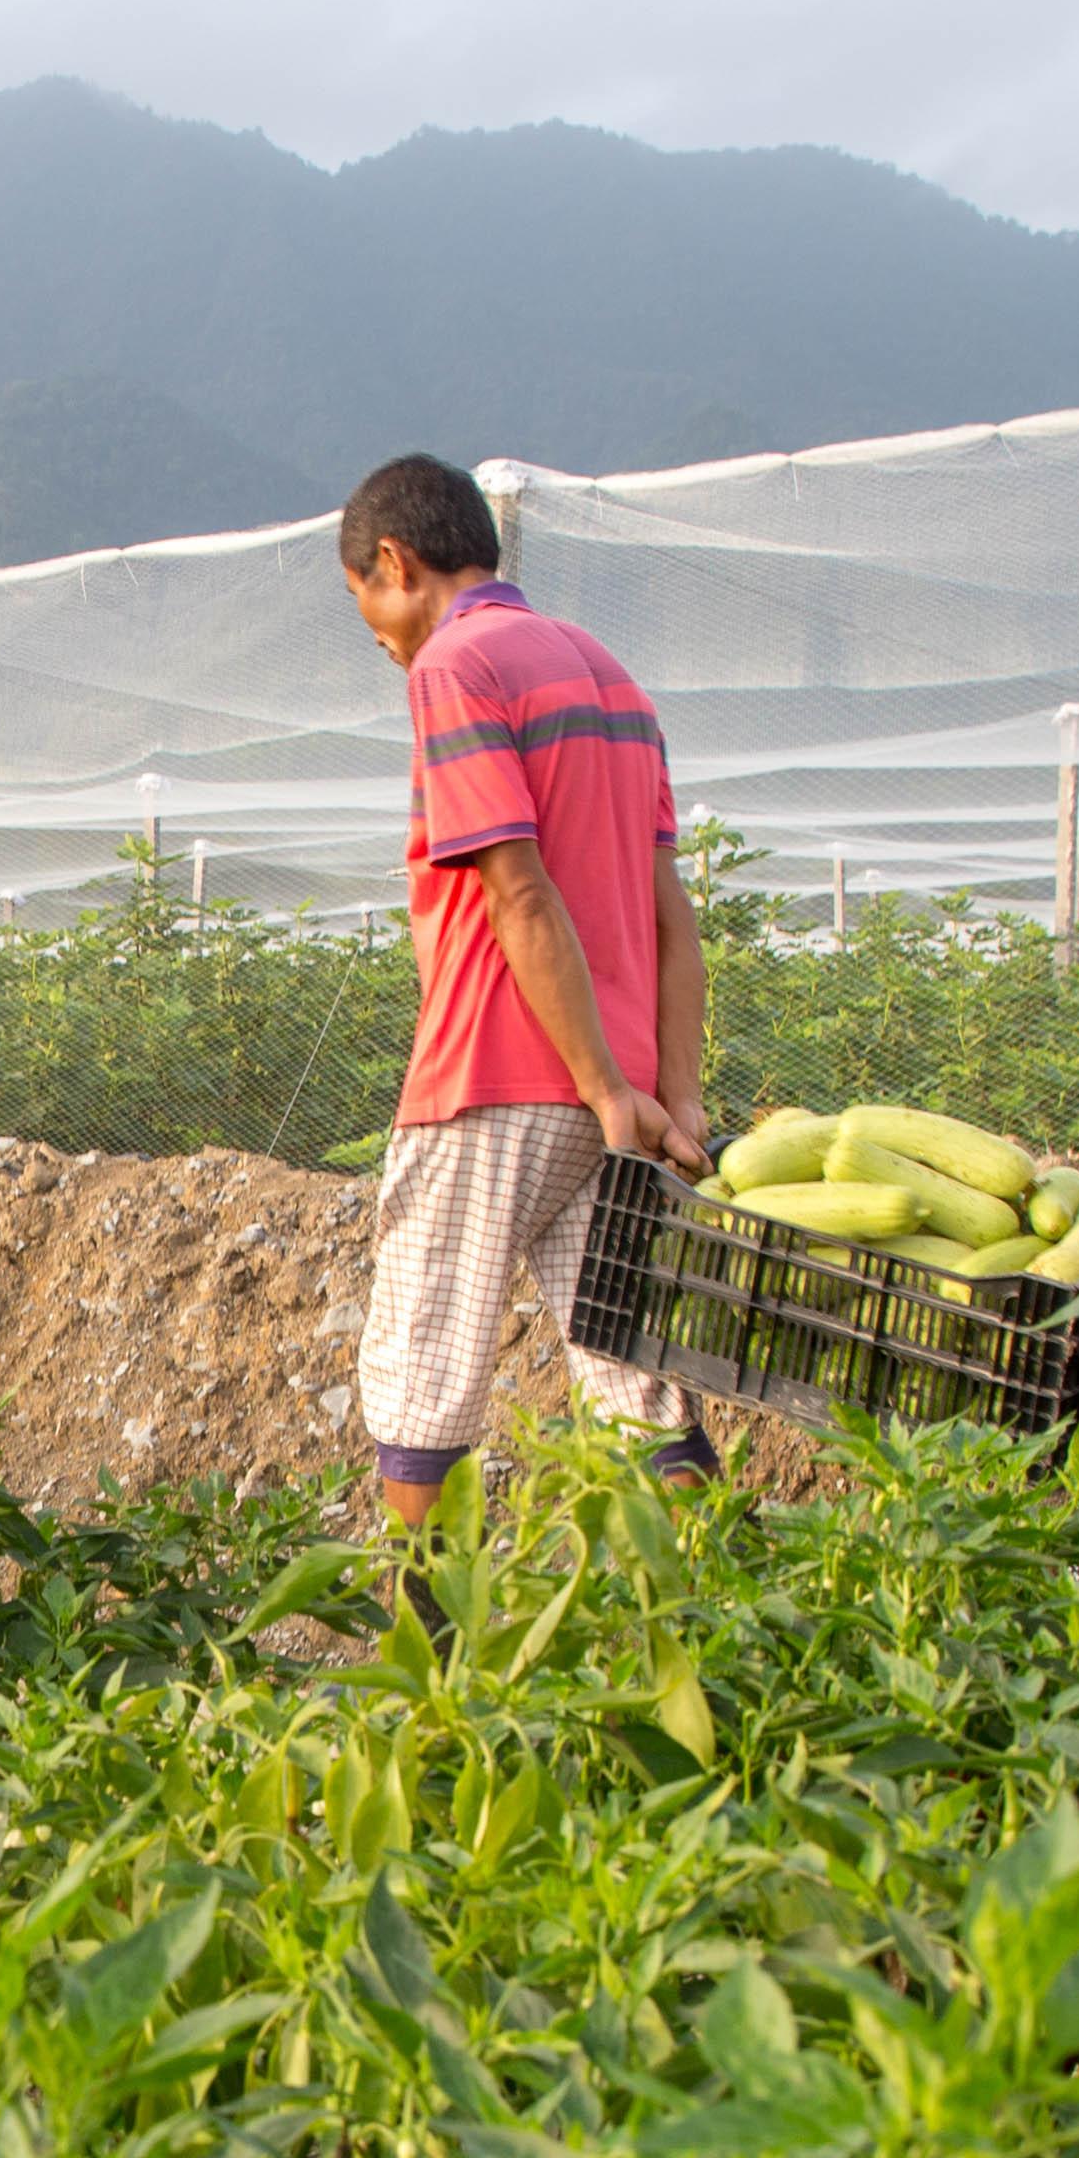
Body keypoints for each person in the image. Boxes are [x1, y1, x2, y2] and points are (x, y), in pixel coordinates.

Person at [334, 453, 721, 1529]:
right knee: (633, 1379)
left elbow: (521, 897)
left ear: (394, 565)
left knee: (423, 1382)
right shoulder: (609, 677)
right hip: (623, 1095)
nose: (381, 638)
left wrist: (596, 1083)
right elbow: (670, 922)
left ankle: (435, 1667)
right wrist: (665, 1097)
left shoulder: (456, 667)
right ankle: (720, 1621)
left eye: (370, 606)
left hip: (495, 1078)